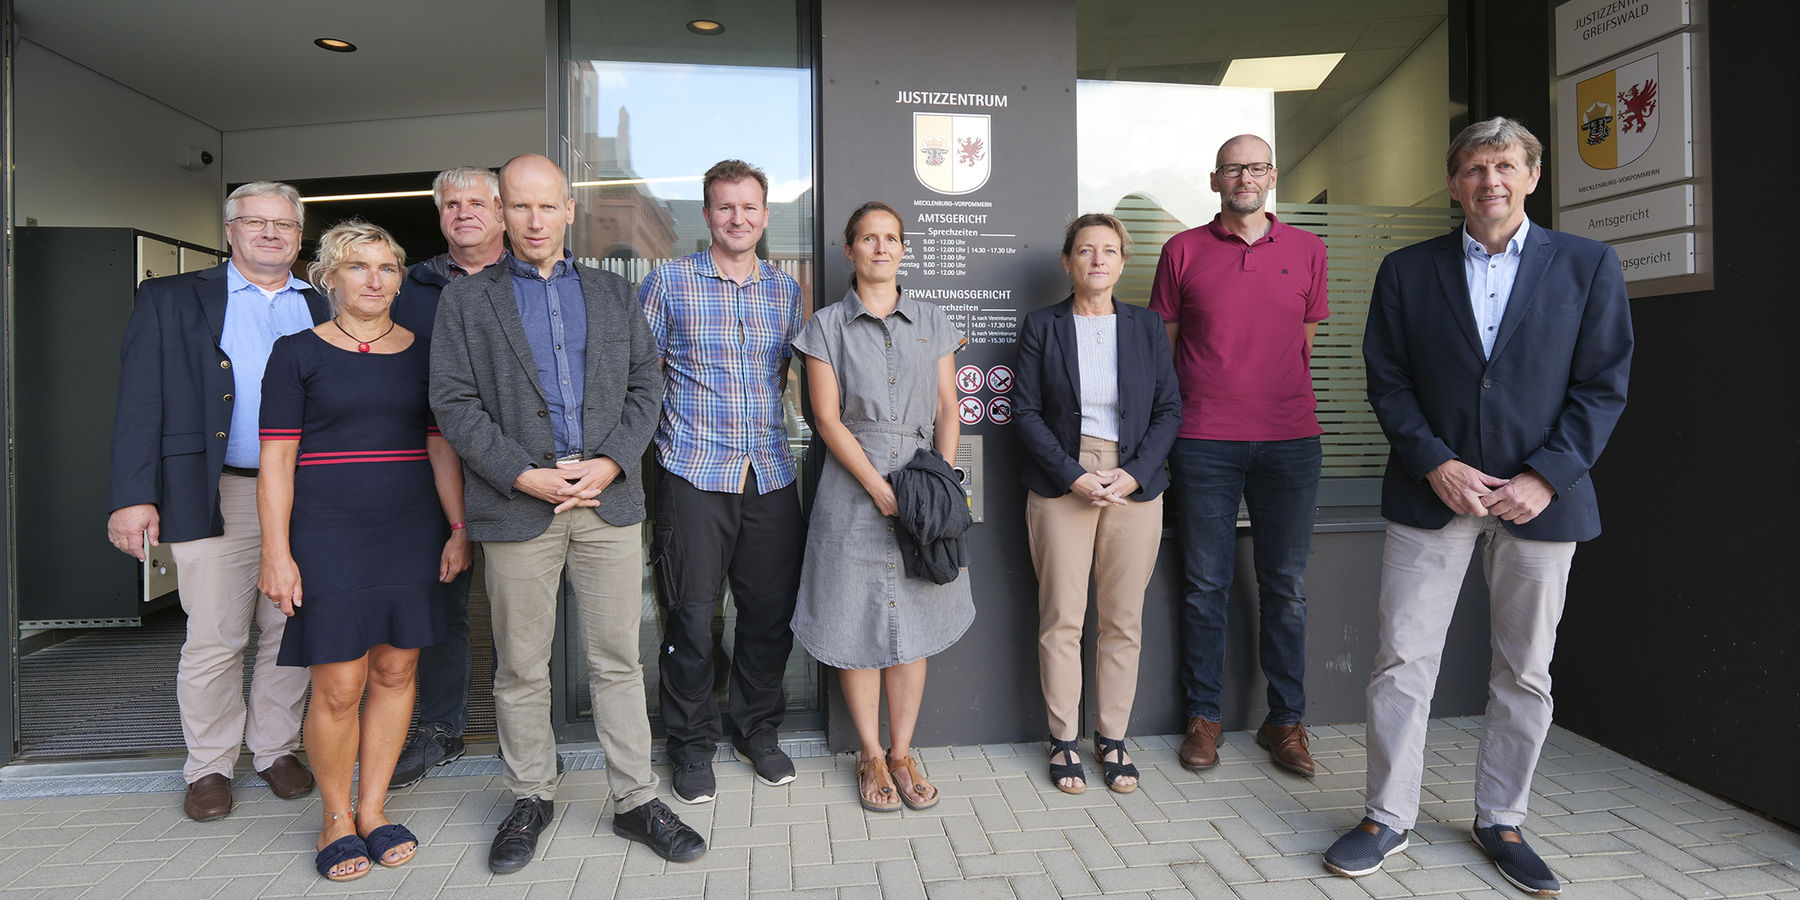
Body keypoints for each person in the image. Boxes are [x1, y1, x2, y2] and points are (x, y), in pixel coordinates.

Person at [1323, 118, 1632, 895]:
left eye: (1505, 166)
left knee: (1525, 669)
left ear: (1532, 175)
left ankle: (1502, 819)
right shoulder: (1406, 270)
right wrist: (1434, 461)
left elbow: (1603, 385)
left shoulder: (1588, 265)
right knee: (1402, 660)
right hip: (1433, 493)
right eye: (1473, 168)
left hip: (1540, 501)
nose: (1489, 181)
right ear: (1453, 181)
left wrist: (1545, 477)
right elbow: (1388, 380)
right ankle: (1387, 815)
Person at [430, 154, 705, 873]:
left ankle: (635, 800)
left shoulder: (616, 293)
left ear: (569, 211)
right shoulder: (467, 301)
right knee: (521, 666)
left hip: (606, 502)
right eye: (519, 206)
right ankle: (530, 795)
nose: (534, 220)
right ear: (501, 213)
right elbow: (453, 402)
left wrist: (610, 461)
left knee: (617, 660)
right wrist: (524, 474)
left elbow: (647, 385)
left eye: (547, 206)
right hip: (517, 504)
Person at [258, 221, 470, 881]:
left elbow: (440, 445)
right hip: (326, 532)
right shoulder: (295, 352)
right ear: (329, 277)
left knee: (397, 673)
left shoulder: (427, 352)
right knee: (339, 684)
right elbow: (277, 460)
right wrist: (276, 552)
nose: (374, 280)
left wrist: (458, 527)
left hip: (410, 529)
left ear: (401, 279)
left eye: (386, 267)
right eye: (357, 267)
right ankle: (335, 816)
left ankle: (373, 809)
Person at [106, 182, 322, 822]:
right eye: (255, 222)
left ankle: (275, 749)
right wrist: (133, 497)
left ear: (299, 235)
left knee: (291, 628)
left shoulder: (323, 300)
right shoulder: (171, 298)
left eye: (284, 224)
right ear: (229, 230)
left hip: (309, 492)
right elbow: (139, 401)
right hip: (215, 487)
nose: (270, 233)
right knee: (214, 635)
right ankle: (209, 765)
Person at [1149, 134, 1330, 777]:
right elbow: (1167, 348)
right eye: (1232, 169)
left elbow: (1302, 340)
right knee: (1205, 585)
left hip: (1290, 440)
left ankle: (1286, 722)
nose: (1244, 178)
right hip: (1203, 440)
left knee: (1286, 588)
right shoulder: (1181, 250)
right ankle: (1204, 718)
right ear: (1215, 180)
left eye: (1255, 168)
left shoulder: (1309, 250)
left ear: (1272, 176)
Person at [791, 201, 973, 812]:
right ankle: (870, 754)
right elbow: (826, 419)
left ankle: (902, 752)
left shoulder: (933, 320)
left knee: (913, 624)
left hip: (921, 486)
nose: (881, 248)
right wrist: (876, 487)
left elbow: (947, 407)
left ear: (903, 249)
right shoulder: (825, 326)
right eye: (868, 238)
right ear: (850, 250)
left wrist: (938, 480)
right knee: (853, 621)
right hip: (850, 489)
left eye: (891, 238)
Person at [638, 159, 806, 804]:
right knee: (690, 614)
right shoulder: (668, 282)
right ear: (708, 214)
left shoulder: (784, 290)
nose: (738, 218)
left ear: (764, 215)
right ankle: (690, 742)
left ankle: (756, 730)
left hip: (768, 471)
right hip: (692, 470)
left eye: (749, 207)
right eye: (726, 207)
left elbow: (790, 375)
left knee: (768, 613)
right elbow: (641, 376)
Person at [1014, 213, 1181, 795]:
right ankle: (1063, 739)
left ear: (1123, 261)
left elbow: (1169, 410)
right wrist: (1074, 476)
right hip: (1063, 480)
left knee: (1123, 620)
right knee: (1062, 617)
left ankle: (1112, 738)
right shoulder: (1043, 326)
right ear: (1068, 261)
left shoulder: (1146, 326)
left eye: (1109, 250)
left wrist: (1133, 475)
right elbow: (1025, 411)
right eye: (1086, 250)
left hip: (1134, 480)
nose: (1098, 260)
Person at [390, 165, 508, 789]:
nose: (464, 213)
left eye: (476, 202)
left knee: (523, 608)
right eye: (451, 204)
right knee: (442, 601)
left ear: (502, 211)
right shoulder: (409, 287)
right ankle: (441, 728)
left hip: (519, 467)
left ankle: (527, 732)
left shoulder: (532, 278)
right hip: (429, 464)